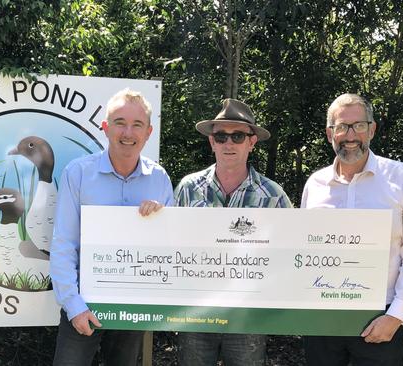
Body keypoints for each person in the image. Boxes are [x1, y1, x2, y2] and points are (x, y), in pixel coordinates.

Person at [301, 93, 403, 365]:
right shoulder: (315, 184)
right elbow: (303, 251)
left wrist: (396, 316)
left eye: (358, 125)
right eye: (341, 127)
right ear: (329, 134)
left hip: (380, 318)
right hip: (322, 317)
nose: (350, 135)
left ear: (371, 129)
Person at [50, 89, 174, 366]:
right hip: (83, 303)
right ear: (106, 128)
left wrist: (161, 219)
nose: (128, 132)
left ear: (149, 132)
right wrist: (74, 307)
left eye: (137, 124)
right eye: (120, 122)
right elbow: (63, 244)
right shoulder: (78, 173)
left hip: (133, 307)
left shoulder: (160, 180)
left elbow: (170, 251)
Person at [174, 98, 293, 366]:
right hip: (196, 311)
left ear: (252, 142)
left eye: (238, 136)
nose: (229, 143)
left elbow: (289, 256)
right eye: (221, 136)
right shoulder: (187, 188)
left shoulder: (273, 196)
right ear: (211, 142)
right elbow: (172, 247)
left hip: (248, 315)